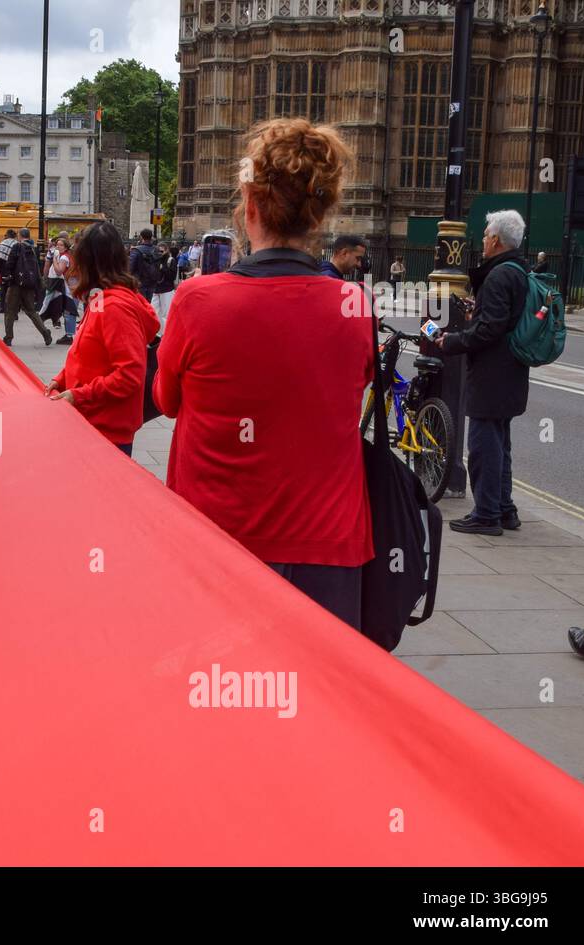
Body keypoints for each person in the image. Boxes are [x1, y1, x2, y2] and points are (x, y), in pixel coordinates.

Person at [154, 117, 373, 629]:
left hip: (214, 538)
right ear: (319, 216)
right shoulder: (354, 306)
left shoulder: (197, 300)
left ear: (250, 207)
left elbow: (165, 400)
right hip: (329, 548)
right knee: (320, 701)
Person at [435, 210, 531, 536]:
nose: (485, 239)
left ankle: (487, 514)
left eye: (487, 233)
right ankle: (504, 509)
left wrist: (453, 341)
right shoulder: (519, 270)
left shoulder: (499, 275)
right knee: (500, 443)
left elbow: (490, 330)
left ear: (496, 240)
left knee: (483, 445)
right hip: (511, 372)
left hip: (492, 374)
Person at [47, 222, 159, 452]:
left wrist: (79, 395)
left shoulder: (114, 307)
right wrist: (61, 379)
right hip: (92, 423)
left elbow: (129, 375)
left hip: (105, 431)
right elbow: (86, 352)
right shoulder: (99, 299)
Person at [3, 227, 51, 347]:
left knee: (10, 310)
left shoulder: (17, 247)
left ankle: (8, 337)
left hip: (15, 284)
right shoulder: (35, 249)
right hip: (29, 284)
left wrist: (6, 275)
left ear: (20, 236)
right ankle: (45, 332)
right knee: (31, 311)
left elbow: (10, 264)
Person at [44, 237, 78, 345]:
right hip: (74, 282)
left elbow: (59, 271)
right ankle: (69, 334)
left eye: (61, 245)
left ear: (66, 247)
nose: (58, 247)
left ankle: (69, 336)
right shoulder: (69, 255)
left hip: (71, 284)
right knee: (69, 310)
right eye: (57, 245)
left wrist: (54, 259)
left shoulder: (64, 258)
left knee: (69, 311)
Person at [128, 228, 163, 305]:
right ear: (151, 237)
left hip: (139, 281)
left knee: (140, 304)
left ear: (141, 237)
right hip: (153, 280)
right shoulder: (156, 250)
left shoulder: (136, 250)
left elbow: (130, 268)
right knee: (149, 304)